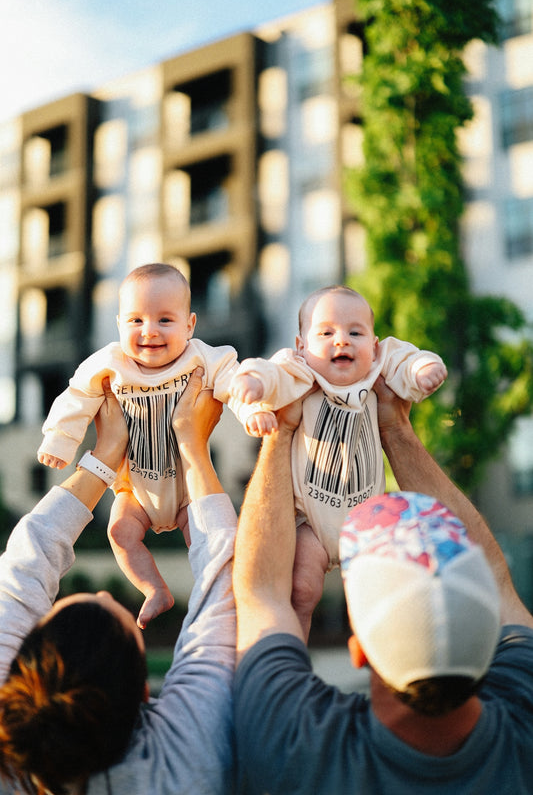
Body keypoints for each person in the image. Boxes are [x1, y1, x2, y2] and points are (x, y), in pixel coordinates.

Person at [232, 377, 533, 794]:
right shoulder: (525, 715)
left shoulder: (298, 746)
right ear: (489, 642)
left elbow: (261, 596)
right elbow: (498, 585)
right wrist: (394, 428)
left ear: (359, 652)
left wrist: (280, 431)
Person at [0, 368, 237, 795]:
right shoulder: (185, 761)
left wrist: (106, 453)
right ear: (145, 695)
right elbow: (226, 589)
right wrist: (193, 449)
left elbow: (222, 590)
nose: (108, 591)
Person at [230, 284, 447, 636]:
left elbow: (407, 359)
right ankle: (294, 657)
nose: (342, 340)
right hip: (311, 523)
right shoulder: (299, 372)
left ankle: (381, 658)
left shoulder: (378, 368)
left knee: (378, 598)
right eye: (326, 332)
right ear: (301, 347)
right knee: (302, 590)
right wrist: (253, 390)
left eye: (355, 332)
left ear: (373, 346)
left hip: (366, 519)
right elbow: (265, 373)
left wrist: (424, 369)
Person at [38, 262, 240, 628]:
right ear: (118, 324)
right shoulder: (110, 364)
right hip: (134, 490)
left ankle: (211, 597)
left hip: (188, 487)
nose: (150, 332)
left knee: (207, 540)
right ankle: (154, 590)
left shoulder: (203, 359)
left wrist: (252, 407)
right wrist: (60, 439)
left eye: (165, 320)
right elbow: (77, 396)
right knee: (119, 533)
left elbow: (234, 379)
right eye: (136, 321)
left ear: (190, 325)